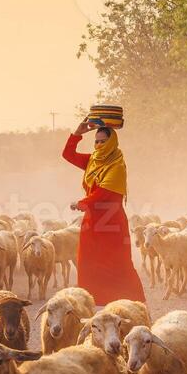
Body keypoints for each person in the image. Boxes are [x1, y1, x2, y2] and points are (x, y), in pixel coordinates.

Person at [62, 116, 146, 305]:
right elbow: (68, 155)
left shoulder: (117, 166)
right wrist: (77, 134)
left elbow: (104, 194)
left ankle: (135, 305)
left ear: (112, 142)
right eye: (96, 141)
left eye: (103, 141)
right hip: (92, 223)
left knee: (119, 265)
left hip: (111, 224)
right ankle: (94, 305)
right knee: (88, 264)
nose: (99, 145)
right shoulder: (93, 160)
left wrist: (81, 203)